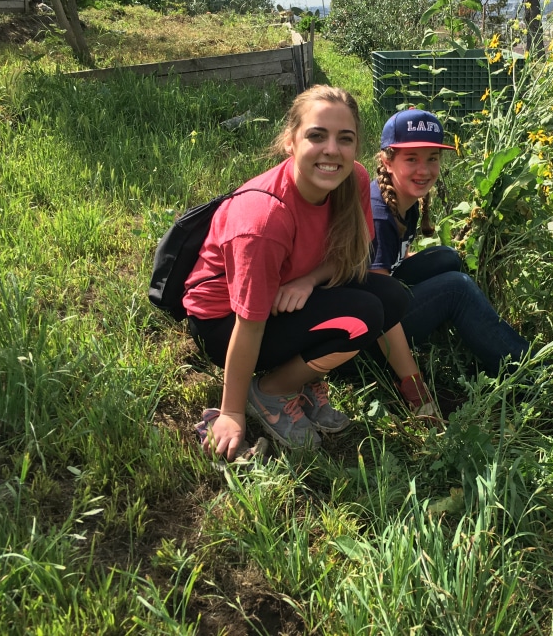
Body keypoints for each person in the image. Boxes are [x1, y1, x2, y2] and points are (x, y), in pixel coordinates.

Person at [183, 85, 429, 459]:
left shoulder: (355, 180)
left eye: (344, 139)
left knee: (390, 298)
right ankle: (269, 392)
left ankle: (301, 381)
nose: (332, 150)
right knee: (361, 317)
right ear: (290, 141)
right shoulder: (262, 218)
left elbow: (353, 253)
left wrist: (309, 280)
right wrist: (232, 413)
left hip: (286, 295)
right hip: (225, 323)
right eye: (317, 135)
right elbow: (249, 324)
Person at [370, 109, 531, 378]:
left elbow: (394, 260)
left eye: (432, 159)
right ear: (387, 160)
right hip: (361, 340)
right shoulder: (379, 214)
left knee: (447, 257)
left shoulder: (401, 197)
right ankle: (525, 371)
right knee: (456, 289)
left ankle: (478, 338)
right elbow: (379, 306)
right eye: (411, 159)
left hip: (380, 304)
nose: (424, 170)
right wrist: (413, 383)